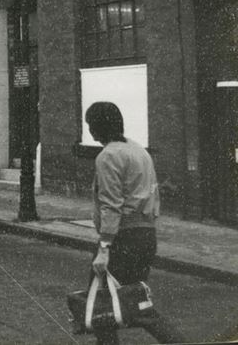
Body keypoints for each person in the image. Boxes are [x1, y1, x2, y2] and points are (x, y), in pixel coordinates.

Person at [85, 101, 184, 345]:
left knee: (106, 303)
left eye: (90, 125)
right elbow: (153, 193)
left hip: (122, 238)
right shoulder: (139, 150)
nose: (89, 130)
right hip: (146, 236)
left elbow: (111, 204)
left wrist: (104, 248)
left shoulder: (108, 156)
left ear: (98, 127)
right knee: (124, 301)